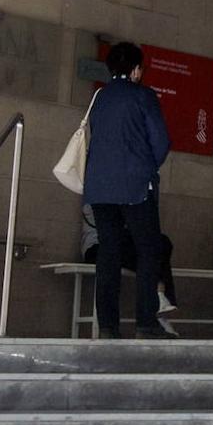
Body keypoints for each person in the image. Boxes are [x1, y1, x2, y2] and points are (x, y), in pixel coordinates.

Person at [83, 42, 172, 339]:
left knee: (109, 252)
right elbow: (160, 141)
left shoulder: (100, 97)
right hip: (134, 185)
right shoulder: (143, 96)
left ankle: (108, 325)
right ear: (136, 69)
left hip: (99, 187)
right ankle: (146, 322)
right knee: (148, 250)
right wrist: (147, 167)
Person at [80, 203, 180, 336]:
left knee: (155, 245)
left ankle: (108, 327)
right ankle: (157, 300)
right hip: (96, 246)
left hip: (109, 241)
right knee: (152, 245)